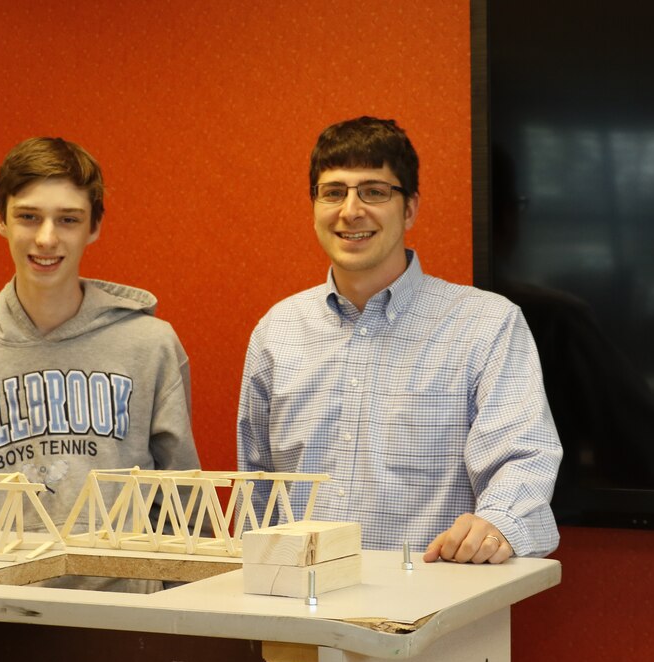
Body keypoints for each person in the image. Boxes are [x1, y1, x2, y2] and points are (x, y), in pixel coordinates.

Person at [237, 117, 560, 563]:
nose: (350, 210)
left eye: (374, 191)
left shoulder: (486, 325)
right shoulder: (277, 331)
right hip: (297, 612)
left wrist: (497, 522)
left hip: (431, 610)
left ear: (409, 209)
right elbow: (257, 489)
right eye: (333, 192)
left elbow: (524, 458)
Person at [0, 137, 200, 564]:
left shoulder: (151, 346)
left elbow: (182, 499)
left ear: (94, 227)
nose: (47, 238)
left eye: (68, 219)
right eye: (28, 217)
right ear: (0, 219)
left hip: (123, 613)